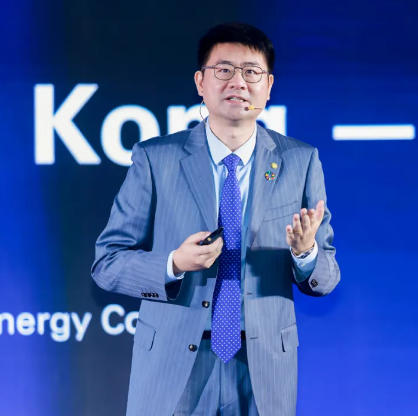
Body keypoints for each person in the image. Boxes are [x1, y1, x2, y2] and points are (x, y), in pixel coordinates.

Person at [91, 22, 340, 416]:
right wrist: (173, 263)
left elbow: (326, 278)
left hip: (262, 366)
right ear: (200, 82)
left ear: (268, 87)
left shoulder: (300, 161)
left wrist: (305, 252)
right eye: (224, 70)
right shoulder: (156, 159)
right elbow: (107, 264)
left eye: (251, 72)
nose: (238, 82)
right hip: (175, 361)